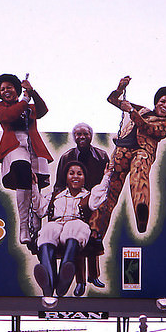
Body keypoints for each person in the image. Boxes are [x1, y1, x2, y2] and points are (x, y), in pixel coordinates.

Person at [89, 76, 166, 252]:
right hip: (121, 152)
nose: (164, 106)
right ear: (156, 101)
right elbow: (113, 101)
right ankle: (95, 234)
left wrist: (131, 111)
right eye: (163, 101)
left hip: (142, 151)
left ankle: (141, 209)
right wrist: (119, 89)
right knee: (108, 192)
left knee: (139, 169)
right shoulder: (142, 110)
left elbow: (148, 128)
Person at [32, 162, 110, 297]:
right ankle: (48, 286)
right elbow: (39, 209)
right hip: (57, 225)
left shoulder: (88, 196)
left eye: (79, 174)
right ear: (66, 177)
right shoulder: (55, 196)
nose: (75, 176)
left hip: (76, 227)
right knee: (48, 230)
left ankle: (64, 278)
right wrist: (33, 186)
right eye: (71, 173)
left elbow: (100, 193)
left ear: (84, 178)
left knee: (73, 227)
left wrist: (107, 176)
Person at [0, 74, 53, 248]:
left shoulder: (28, 105)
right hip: (14, 145)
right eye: (2, 89)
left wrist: (32, 92)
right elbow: (10, 116)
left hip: (33, 145)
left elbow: (42, 111)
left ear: (16, 89)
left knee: (35, 184)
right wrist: (25, 99)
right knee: (22, 168)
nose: (6, 91)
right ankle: (24, 225)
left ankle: (36, 226)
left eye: (9, 87)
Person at [54, 123, 109, 296]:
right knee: (76, 240)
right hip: (73, 203)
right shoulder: (67, 156)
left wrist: (100, 204)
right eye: (78, 134)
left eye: (85, 133)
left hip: (94, 202)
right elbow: (59, 183)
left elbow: (108, 181)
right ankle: (80, 281)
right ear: (74, 137)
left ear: (91, 135)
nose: (81, 137)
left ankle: (94, 275)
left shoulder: (101, 156)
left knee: (94, 239)